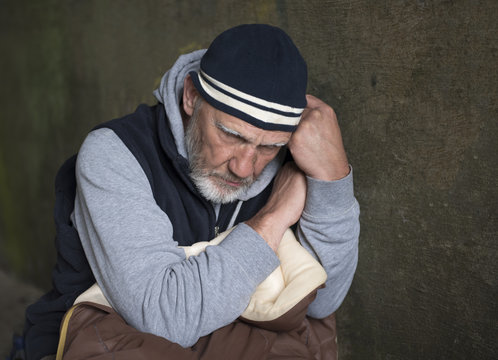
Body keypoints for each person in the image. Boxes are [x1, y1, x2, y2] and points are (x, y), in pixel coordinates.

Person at [24, 24, 359, 359]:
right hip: (109, 341)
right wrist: (273, 220)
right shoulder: (115, 154)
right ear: (191, 97)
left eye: (268, 147)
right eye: (231, 135)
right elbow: (164, 317)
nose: (244, 168)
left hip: (232, 343)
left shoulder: (289, 165)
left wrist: (332, 179)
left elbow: (322, 303)